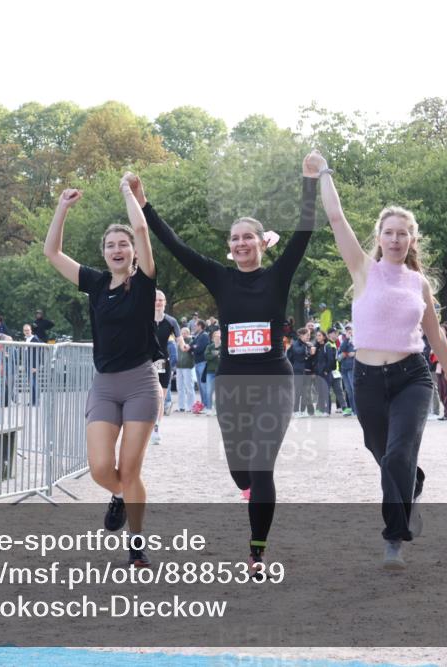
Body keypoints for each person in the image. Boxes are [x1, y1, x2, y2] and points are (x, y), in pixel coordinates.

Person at [128, 152, 317, 573]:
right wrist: (144, 203)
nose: (241, 244)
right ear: (229, 248)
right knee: (240, 471)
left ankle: (256, 551)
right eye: (234, 239)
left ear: (261, 243)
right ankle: (250, 493)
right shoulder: (220, 277)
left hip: (274, 382)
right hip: (232, 385)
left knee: (262, 466)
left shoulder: (278, 275)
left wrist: (309, 181)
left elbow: (305, 230)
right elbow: (176, 246)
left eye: (248, 237)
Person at [316, 150, 447, 568]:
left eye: (403, 233)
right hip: (367, 380)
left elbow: (433, 332)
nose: (396, 239)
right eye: (389, 232)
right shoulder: (363, 270)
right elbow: (336, 218)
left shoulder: (419, 284)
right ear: (379, 237)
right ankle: (412, 484)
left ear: (412, 239)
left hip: (411, 377)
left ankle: (394, 537)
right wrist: (323, 172)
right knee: (383, 453)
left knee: (398, 454)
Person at [45, 179, 161, 568]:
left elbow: (141, 226)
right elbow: (52, 253)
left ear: (133, 252)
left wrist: (128, 193)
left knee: (130, 468)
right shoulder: (95, 283)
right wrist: (62, 207)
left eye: (123, 244)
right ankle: (120, 495)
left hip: (141, 383)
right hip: (105, 385)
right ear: (104, 253)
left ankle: (137, 544)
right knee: (99, 468)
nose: (117, 249)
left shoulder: (144, 282)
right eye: (110, 245)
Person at [152, 290, 182, 444]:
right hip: (146, 361)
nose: (158, 302)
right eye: (155, 300)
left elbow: (179, 338)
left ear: (164, 303)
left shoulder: (171, 321)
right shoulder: (144, 318)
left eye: (161, 300)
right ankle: (146, 426)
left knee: (160, 397)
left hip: (162, 361)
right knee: (147, 396)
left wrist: (183, 345)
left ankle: (156, 428)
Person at [175, 327, 196, 412]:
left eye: (185, 333)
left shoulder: (191, 341)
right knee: (179, 387)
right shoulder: (178, 342)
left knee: (189, 387)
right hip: (178, 366)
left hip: (187, 366)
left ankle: (191, 406)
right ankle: (181, 406)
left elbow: (193, 351)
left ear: (188, 333)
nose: (183, 335)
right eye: (182, 333)